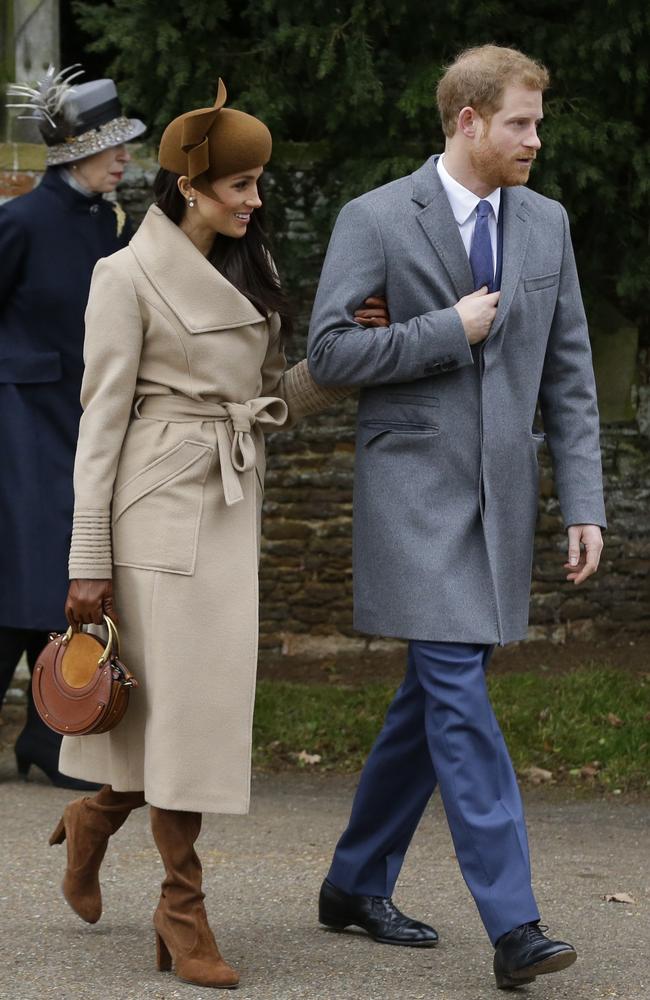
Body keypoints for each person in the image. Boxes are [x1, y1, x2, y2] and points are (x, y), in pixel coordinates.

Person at [54, 80, 387, 990]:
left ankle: (95, 820)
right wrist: (86, 563)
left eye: (259, 183)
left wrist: (340, 363)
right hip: (153, 510)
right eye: (240, 185)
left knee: (184, 720)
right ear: (189, 188)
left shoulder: (248, 270)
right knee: (182, 721)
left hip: (228, 502)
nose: (255, 200)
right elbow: (98, 424)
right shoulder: (122, 276)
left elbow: (264, 408)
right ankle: (182, 909)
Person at [307, 44, 605, 990]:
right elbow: (327, 354)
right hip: (413, 496)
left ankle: (354, 882)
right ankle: (516, 924)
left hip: (502, 500)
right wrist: (449, 330)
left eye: (538, 122)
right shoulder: (378, 217)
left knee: (430, 699)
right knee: (458, 697)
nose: (536, 139)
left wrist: (584, 503)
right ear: (468, 120)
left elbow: (571, 373)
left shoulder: (547, 224)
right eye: (520, 122)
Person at [0, 66, 145, 787]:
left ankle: (49, 733)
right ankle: (48, 734)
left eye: (124, 144)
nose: (123, 156)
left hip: (88, 419)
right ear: (71, 150)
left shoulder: (114, 225)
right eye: (108, 144)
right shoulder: (20, 221)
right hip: (22, 421)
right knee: (31, 563)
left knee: (65, 566)